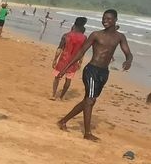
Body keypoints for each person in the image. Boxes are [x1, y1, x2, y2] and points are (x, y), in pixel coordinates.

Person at [56, 9, 133, 141]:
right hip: (91, 70)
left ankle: (63, 121)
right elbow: (81, 52)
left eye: (108, 19)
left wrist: (129, 60)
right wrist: (65, 68)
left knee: (89, 101)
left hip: (103, 73)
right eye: (104, 18)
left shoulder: (120, 37)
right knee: (90, 100)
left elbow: (128, 52)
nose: (105, 21)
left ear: (115, 20)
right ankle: (87, 133)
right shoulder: (96, 35)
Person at [50, 17, 87, 100]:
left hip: (63, 59)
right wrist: (80, 62)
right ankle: (61, 96)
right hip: (74, 61)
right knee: (68, 79)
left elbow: (60, 48)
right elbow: (82, 52)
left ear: (74, 24)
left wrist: (55, 59)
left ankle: (53, 94)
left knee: (57, 77)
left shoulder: (66, 35)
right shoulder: (84, 38)